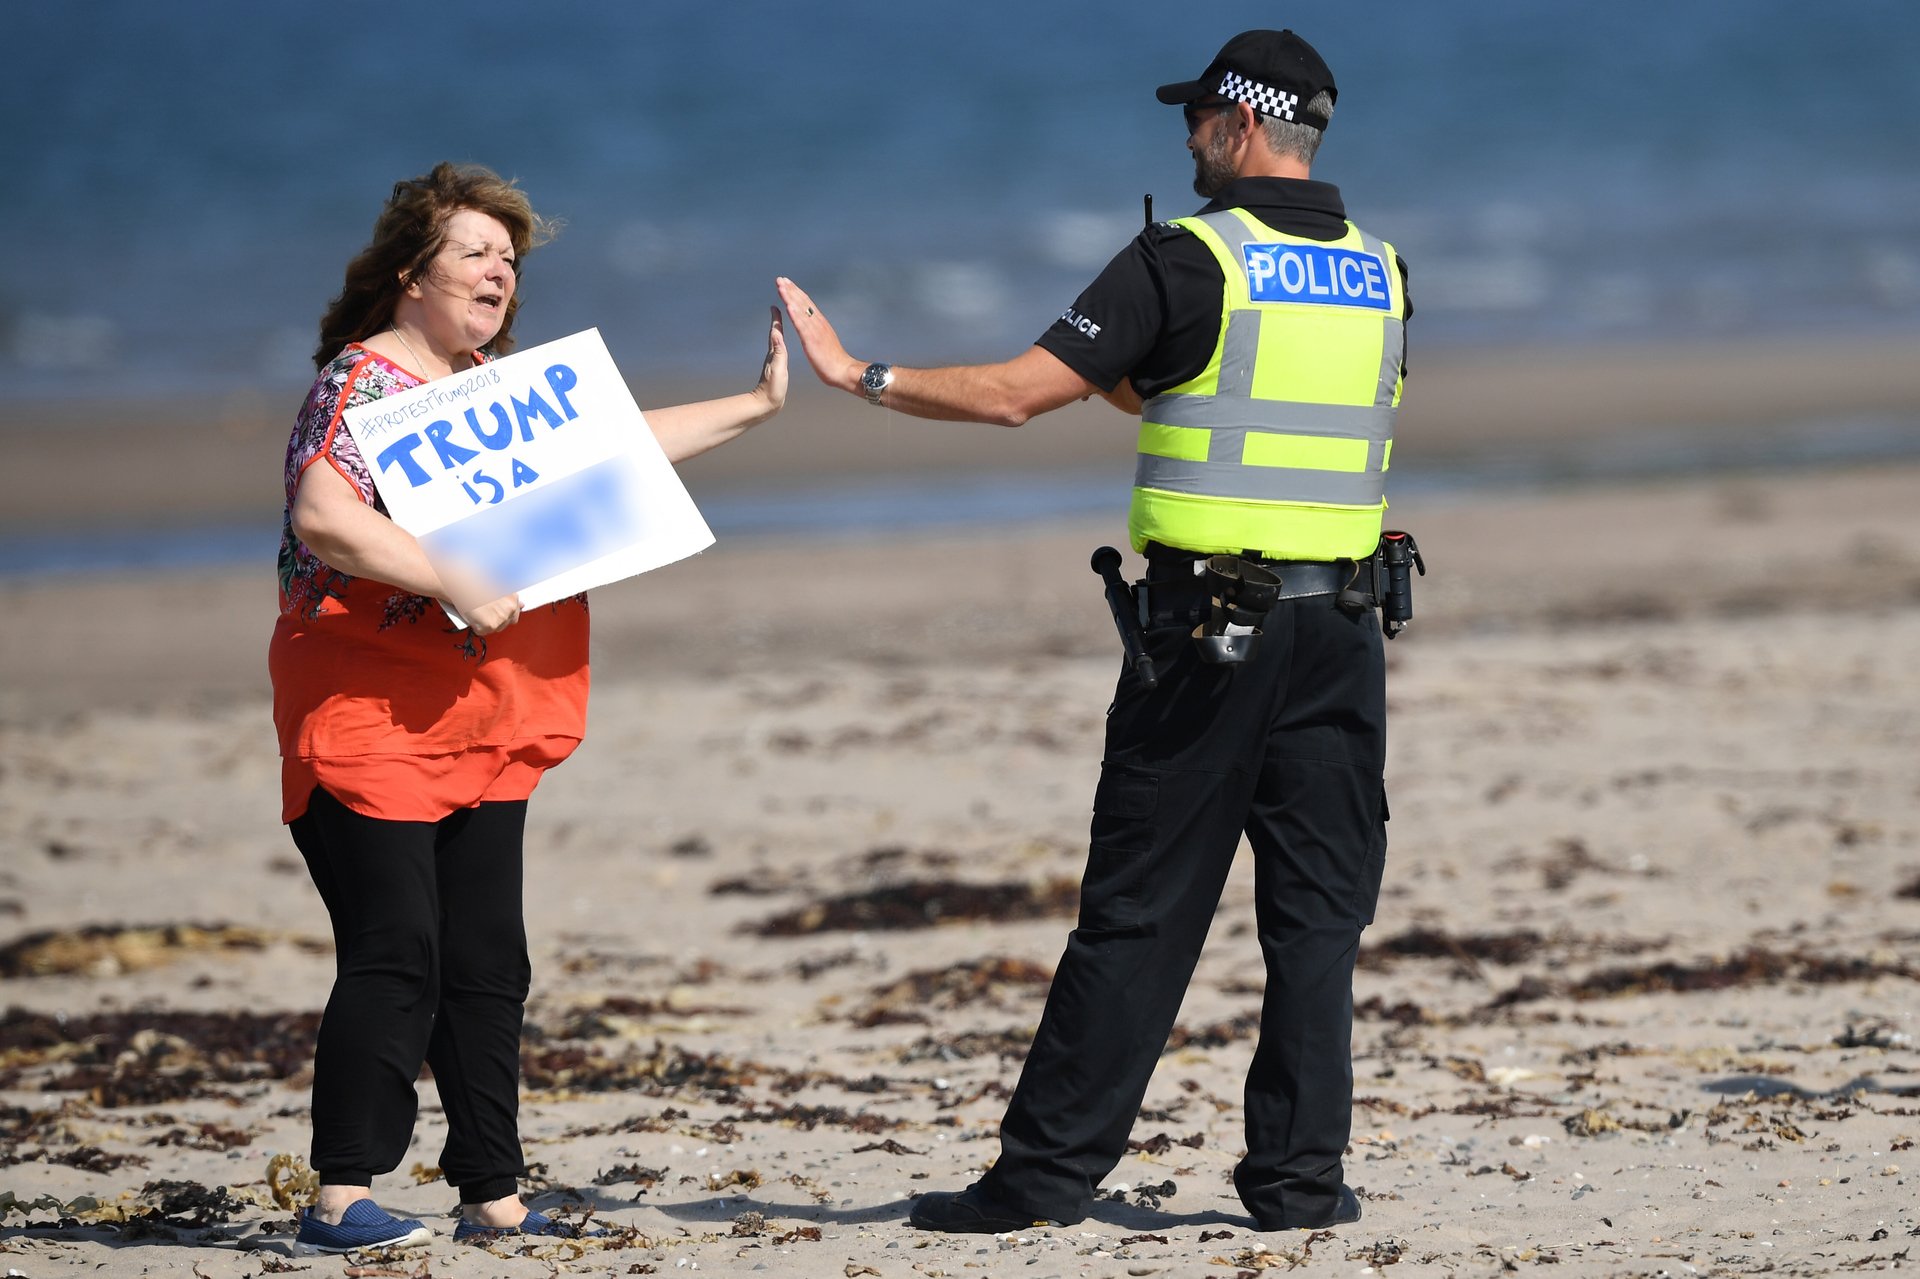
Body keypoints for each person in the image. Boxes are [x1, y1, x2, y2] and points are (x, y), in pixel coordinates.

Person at [776, 28, 1407, 1234]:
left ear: (1239, 123)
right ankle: (1296, 1183)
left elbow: (1019, 393)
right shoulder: (1383, 271)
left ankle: (1042, 1180)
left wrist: (863, 372)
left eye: (1198, 121)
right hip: (1344, 628)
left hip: (1210, 634)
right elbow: (1238, 395)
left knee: (1138, 912)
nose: (1186, 140)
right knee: (1320, 919)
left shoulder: (1184, 257)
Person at [272, 161, 786, 1254]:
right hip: (366, 713)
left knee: (490, 958)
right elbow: (324, 515)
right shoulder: (360, 385)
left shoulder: (489, 386)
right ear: (413, 273)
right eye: (476, 253)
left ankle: (491, 1194)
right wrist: (452, 578)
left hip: (482, 717)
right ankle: (340, 1196)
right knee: (397, 947)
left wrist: (754, 404)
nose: (500, 272)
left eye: (510, 259)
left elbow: (620, 448)